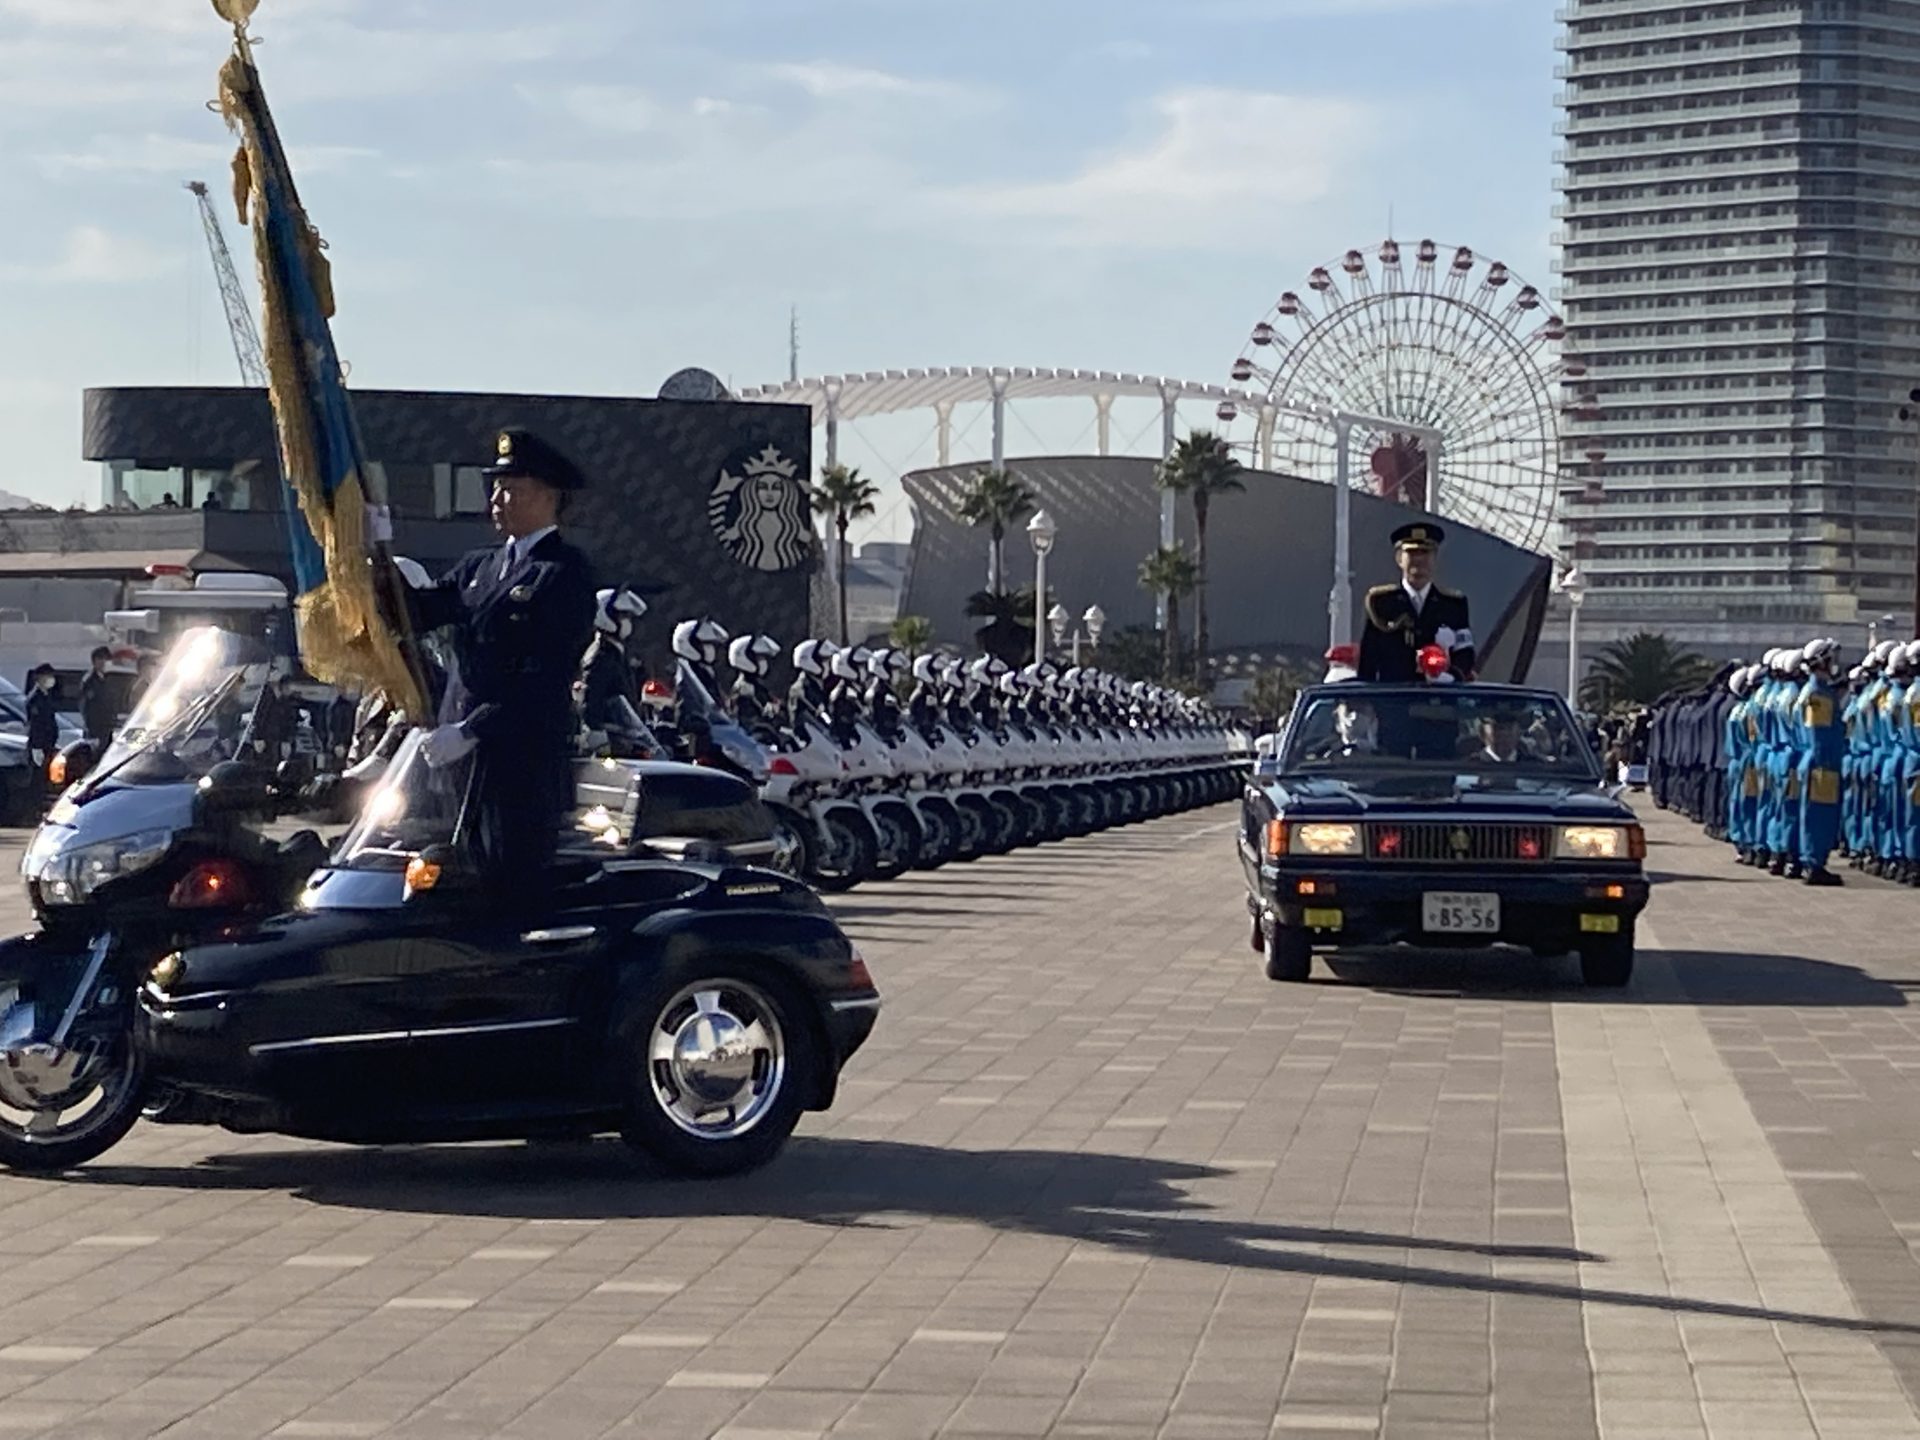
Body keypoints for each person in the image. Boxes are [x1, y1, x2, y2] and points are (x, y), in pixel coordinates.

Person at [382, 426, 596, 899]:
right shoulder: (481, 567)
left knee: (508, 889)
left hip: (518, 765)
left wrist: (472, 729)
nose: (496, 500)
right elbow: (416, 613)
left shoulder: (563, 573)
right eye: (496, 488)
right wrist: (374, 556)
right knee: (456, 884)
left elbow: (544, 678)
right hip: (462, 762)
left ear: (546, 497)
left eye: (511, 489)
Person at [1357, 522, 1474, 683]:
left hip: (1439, 700)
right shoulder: (1381, 603)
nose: (1419, 560)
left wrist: (1451, 676)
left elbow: (1465, 653)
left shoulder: (1453, 605)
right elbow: (1368, 659)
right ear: (1399, 558)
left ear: (1435, 558)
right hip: (1393, 699)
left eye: (1425, 553)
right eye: (1411, 553)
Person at [1795, 638, 1845, 886]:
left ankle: (1813, 861)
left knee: (1817, 815)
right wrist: (1826, 760)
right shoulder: (1818, 694)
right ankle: (1814, 864)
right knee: (1819, 817)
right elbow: (1819, 733)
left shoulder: (1817, 690)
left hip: (1817, 761)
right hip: (1821, 763)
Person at [79, 646, 117, 751]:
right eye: (102, 659)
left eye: (106, 659)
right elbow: (86, 706)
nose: (105, 662)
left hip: (107, 727)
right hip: (96, 729)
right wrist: (92, 728)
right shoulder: (90, 681)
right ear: (95, 661)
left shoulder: (105, 679)